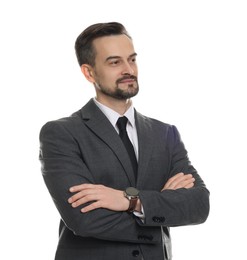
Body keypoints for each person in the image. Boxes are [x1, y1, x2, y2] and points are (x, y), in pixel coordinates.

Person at [39, 22, 210, 260]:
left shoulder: (165, 133)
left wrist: (130, 201)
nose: (128, 69)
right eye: (115, 62)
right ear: (89, 72)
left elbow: (199, 206)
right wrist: (159, 211)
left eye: (132, 59)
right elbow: (84, 219)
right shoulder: (62, 133)